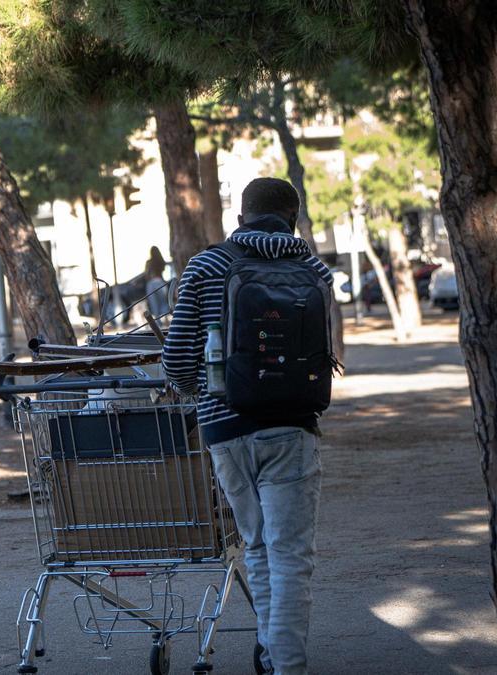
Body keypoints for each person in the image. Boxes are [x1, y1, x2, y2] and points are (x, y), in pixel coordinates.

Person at [162, 178, 333, 675]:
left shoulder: (208, 265)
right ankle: (286, 663)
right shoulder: (314, 269)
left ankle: (270, 651)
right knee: (292, 555)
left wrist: (205, 391)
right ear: (294, 219)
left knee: (255, 543)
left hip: (226, 429)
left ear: (240, 219)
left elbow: (176, 361)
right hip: (294, 428)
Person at [144, 245, 170, 318]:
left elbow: (146, 274)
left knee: (154, 304)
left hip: (151, 284)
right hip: (161, 283)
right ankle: (166, 320)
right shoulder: (161, 261)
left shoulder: (149, 262)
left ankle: (158, 322)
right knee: (163, 303)